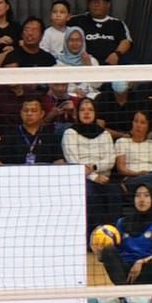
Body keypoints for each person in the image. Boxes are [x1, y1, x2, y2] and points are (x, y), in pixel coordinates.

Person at [94, 183, 152, 303]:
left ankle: (125, 298)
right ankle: (126, 295)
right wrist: (100, 254)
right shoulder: (122, 222)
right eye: (138, 196)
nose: (142, 200)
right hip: (124, 273)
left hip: (146, 271)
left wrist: (141, 261)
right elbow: (116, 251)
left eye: (146, 196)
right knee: (108, 250)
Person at [62, 97, 118, 234]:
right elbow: (73, 161)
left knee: (114, 193)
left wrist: (95, 167)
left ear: (95, 113)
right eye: (82, 110)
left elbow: (111, 159)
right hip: (81, 179)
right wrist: (94, 177)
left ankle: (113, 236)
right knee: (91, 195)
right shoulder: (70, 133)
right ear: (77, 113)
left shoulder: (105, 134)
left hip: (103, 177)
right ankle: (94, 237)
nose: (86, 113)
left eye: (90, 110)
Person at [68, 0, 133, 66]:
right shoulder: (75, 20)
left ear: (108, 4)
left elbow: (126, 41)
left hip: (111, 63)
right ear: (88, 4)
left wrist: (117, 54)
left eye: (100, 1)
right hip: (83, 63)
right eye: (93, 1)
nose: (96, 4)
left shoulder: (117, 23)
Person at [0, 96, 62, 164]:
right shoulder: (10, 135)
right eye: (25, 111)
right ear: (21, 113)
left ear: (42, 114)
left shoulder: (50, 136)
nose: (29, 114)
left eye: (34, 111)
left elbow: (59, 161)